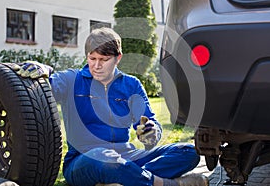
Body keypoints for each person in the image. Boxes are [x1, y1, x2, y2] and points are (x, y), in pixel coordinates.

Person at [15, 27, 209, 186]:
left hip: (127, 155)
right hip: (84, 160)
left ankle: (123, 180)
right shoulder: (71, 79)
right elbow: (43, 88)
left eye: (104, 60)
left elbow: (151, 128)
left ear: (118, 58)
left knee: (189, 152)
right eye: (92, 59)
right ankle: (170, 184)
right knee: (105, 158)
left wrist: (151, 132)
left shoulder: (132, 85)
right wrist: (43, 69)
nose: (97, 65)